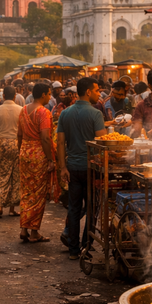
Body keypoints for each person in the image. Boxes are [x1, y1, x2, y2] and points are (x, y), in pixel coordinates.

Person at [57, 78, 107, 259]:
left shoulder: (65, 113)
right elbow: (103, 142)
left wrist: (62, 167)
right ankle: (86, 246)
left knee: (74, 208)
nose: (99, 94)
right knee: (92, 208)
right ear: (88, 92)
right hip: (91, 168)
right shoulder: (95, 114)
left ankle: (73, 250)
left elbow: (60, 143)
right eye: (97, 90)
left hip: (72, 167)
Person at [18, 83, 58, 242]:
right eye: (49, 94)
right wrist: (50, 159)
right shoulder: (43, 112)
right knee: (38, 194)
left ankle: (24, 228)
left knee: (26, 192)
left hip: (25, 152)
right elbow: (45, 138)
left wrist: (20, 152)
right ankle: (34, 232)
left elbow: (19, 134)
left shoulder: (23, 110)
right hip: (38, 155)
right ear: (43, 95)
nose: (50, 97)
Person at [0, 86, 23, 218]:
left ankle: (0, 207)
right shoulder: (21, 110)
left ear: (3, 96)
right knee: (15, 176)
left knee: (0, 175)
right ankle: (12, 209)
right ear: (14, 96)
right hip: (16, 143)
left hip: (2, 143)